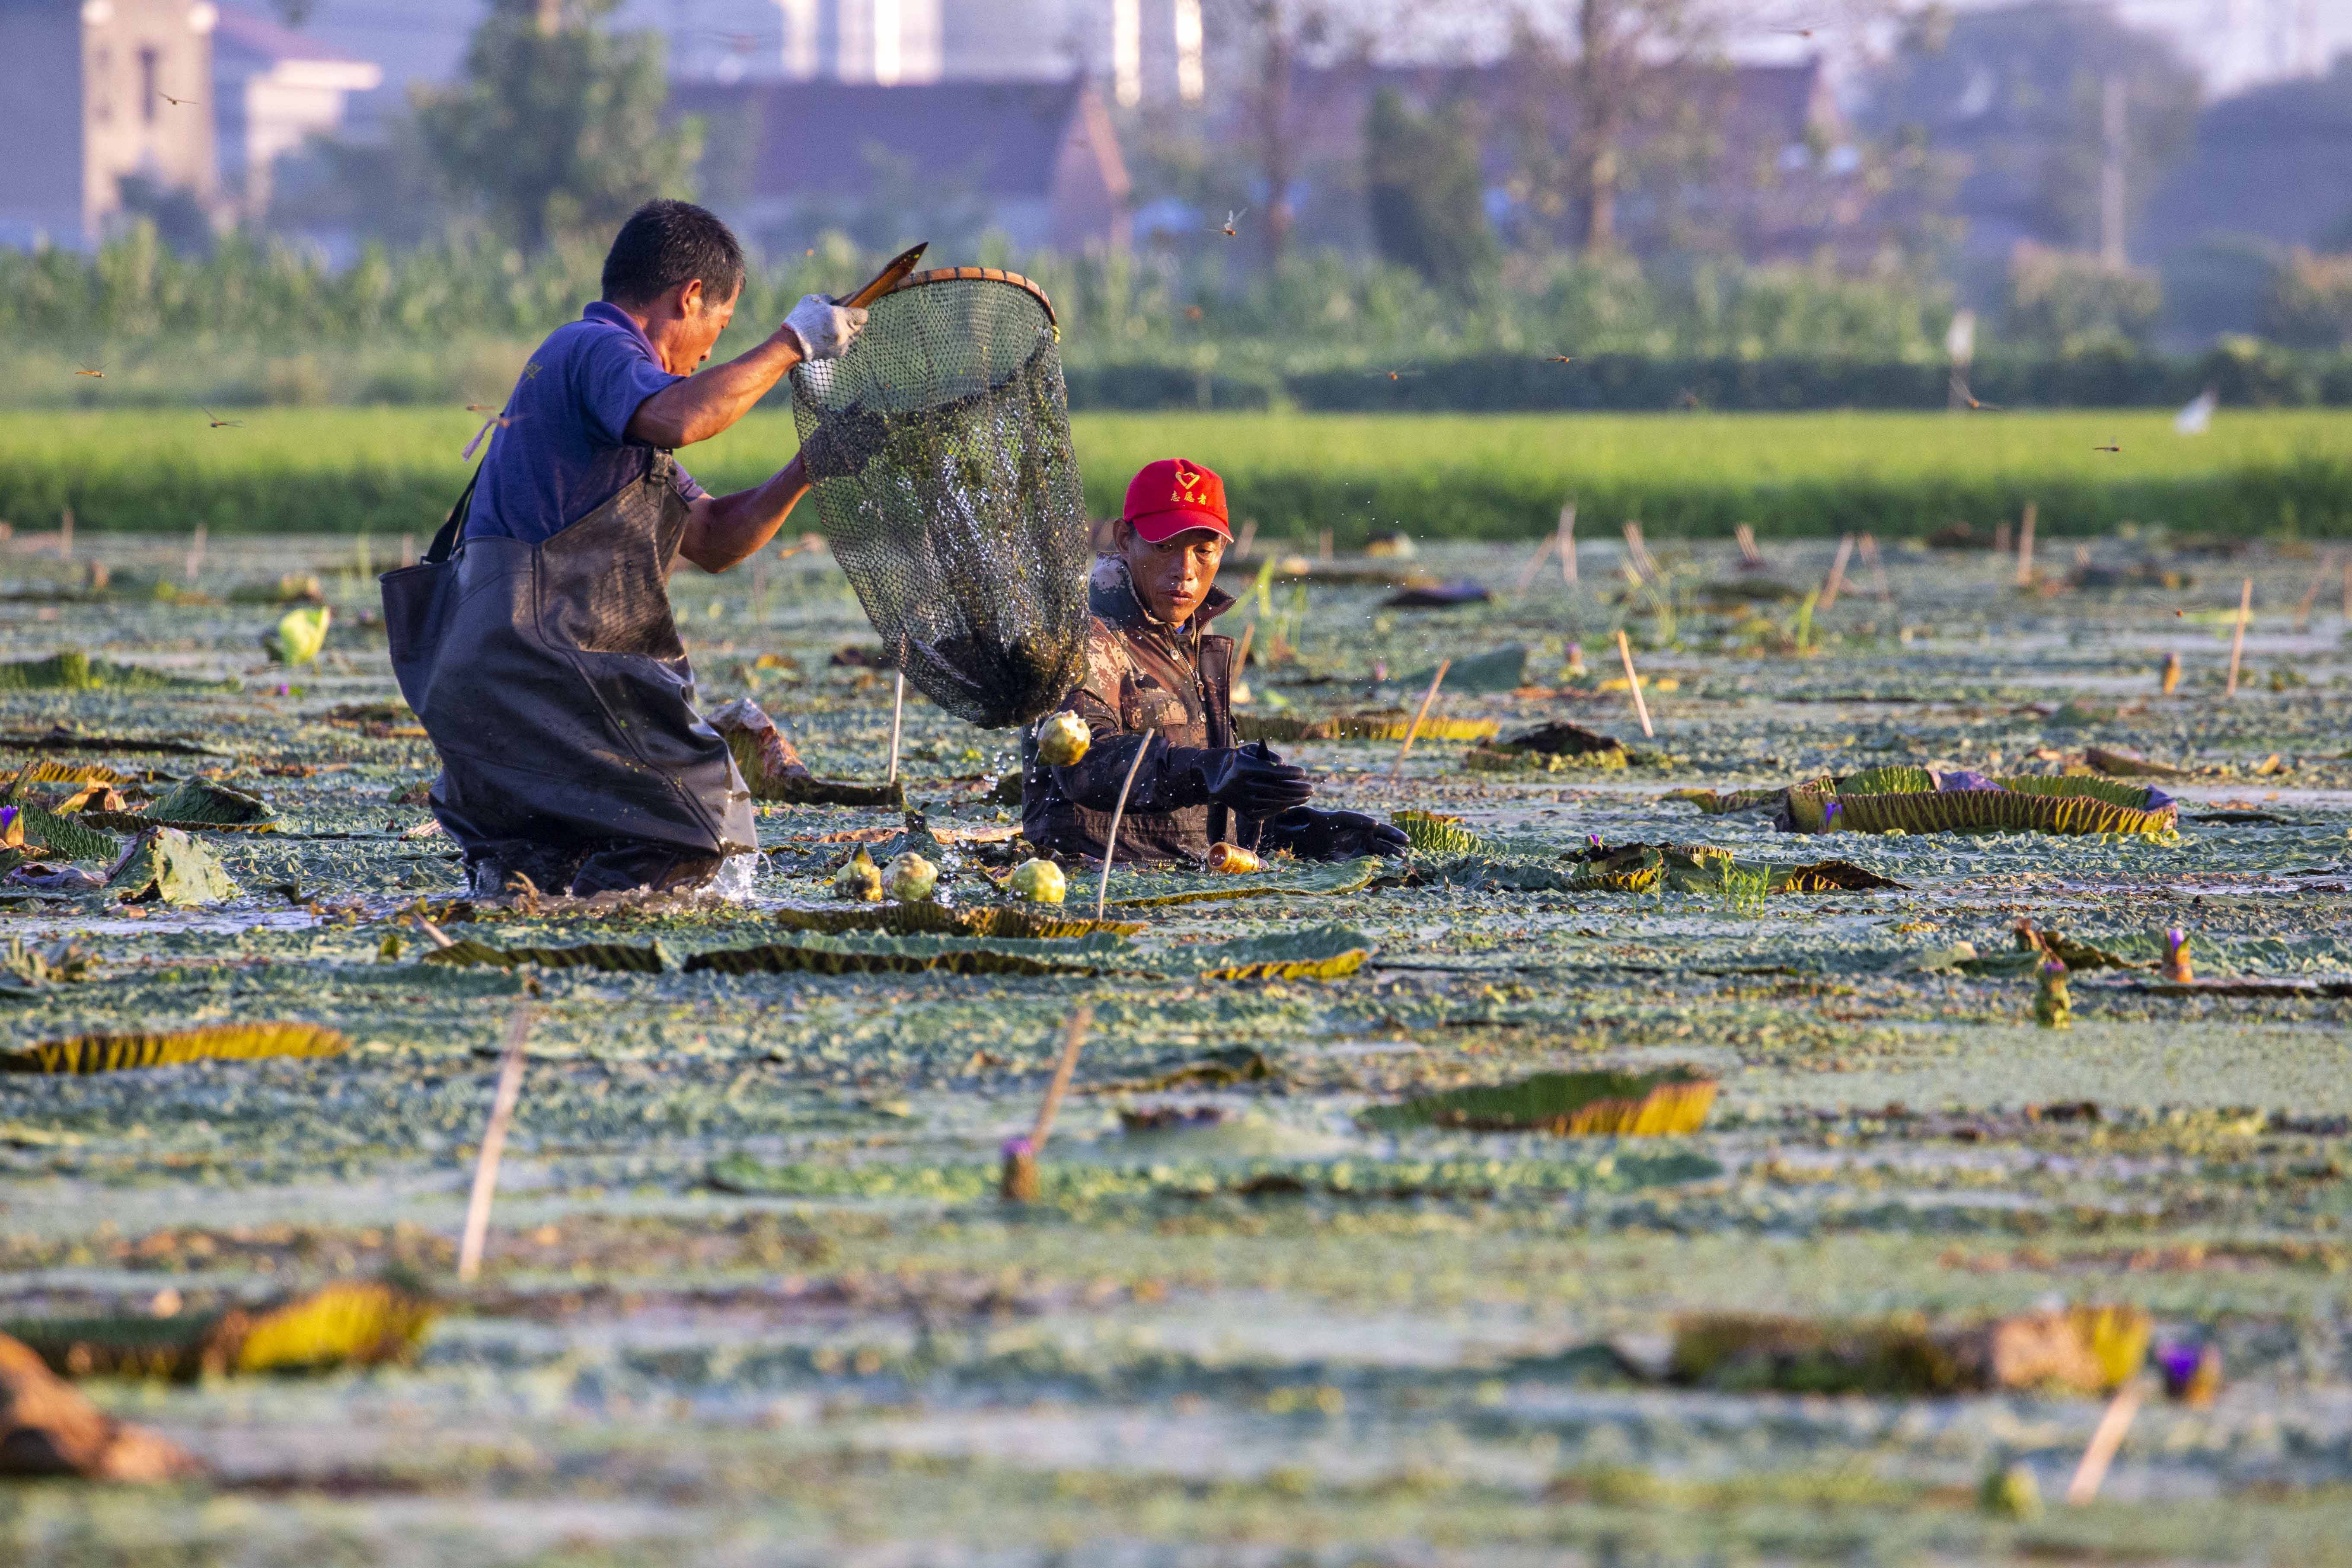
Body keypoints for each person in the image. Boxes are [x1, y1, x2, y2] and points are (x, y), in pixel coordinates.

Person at [383, 200, 879, 897]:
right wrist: (791, 342)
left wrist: (808, 466)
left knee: (541, 878)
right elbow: (683, 416)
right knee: (704, 815)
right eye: (719, 328)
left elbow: (710, 539)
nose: (709, 353)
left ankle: (552, 977)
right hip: (540, 657)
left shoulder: (603, 396)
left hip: (490, 679)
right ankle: (620, 958)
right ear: (691, 297)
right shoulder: (597, 351)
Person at [1021, 458, 1408, 864]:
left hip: (1186, 895)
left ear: (1223, 550)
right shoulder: (1082, 638)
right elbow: (1084, 765)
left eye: (1202, 550)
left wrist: (1288, 834)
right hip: (1098, 892)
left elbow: (1193, 810)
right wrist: (1210, 769)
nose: (1184, 571)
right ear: (1123, 539)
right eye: (1163, 546)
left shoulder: (1191, 646)